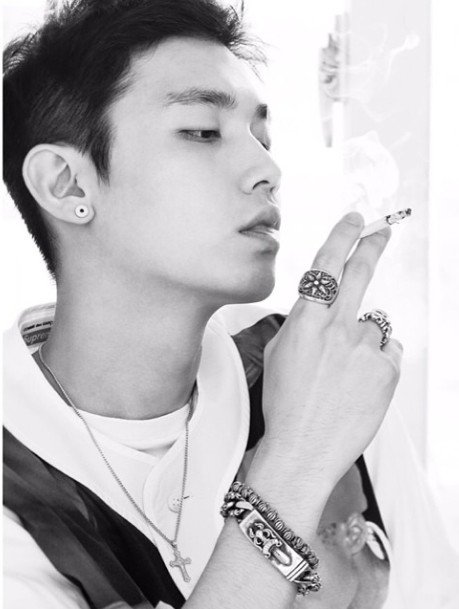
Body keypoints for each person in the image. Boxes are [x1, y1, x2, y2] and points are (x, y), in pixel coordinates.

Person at [3, 1, 458, 608]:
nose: (268, 169)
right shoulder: (16, 480)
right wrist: (298, 457)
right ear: (68, 184)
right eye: (202, 131)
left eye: (262, 137)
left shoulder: (316, 363)